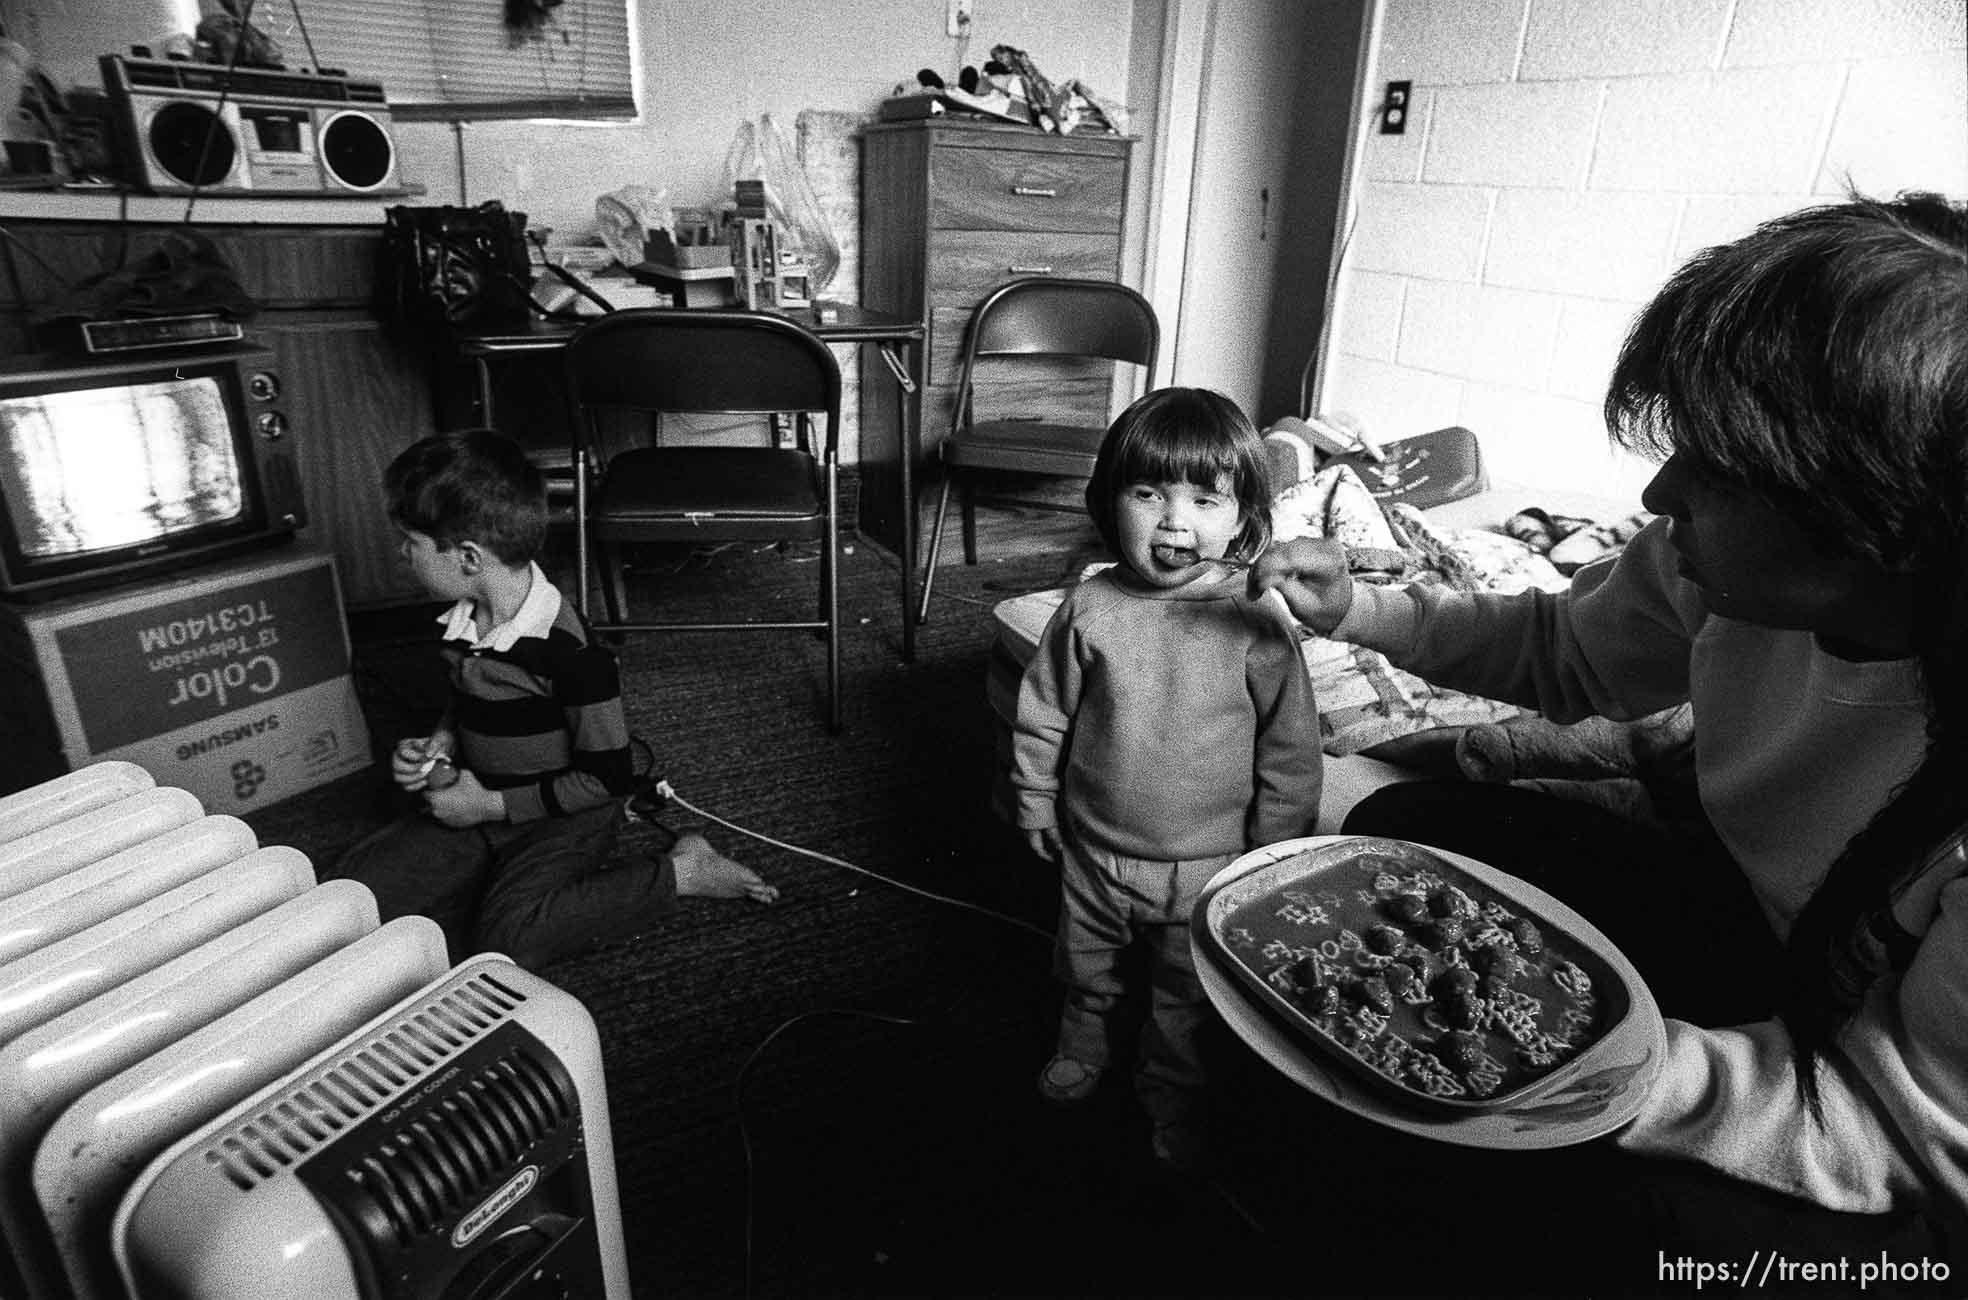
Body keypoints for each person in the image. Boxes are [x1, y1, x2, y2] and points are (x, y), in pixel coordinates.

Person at [1250, 192, 1968, 1290]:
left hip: (1876, 1112)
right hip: (1753, 928)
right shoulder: (1705, 568)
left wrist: (1556, 1060)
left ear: (1892, 522)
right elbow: (1562, 650)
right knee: (1403, 830)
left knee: (1604, 1218)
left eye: (1717, 474)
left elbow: (1889, 1128)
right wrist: (1359, 610)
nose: (1657, 491)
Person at [1012, 387, 1324, 1169]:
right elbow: (1044, 713)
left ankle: (1170, 1091)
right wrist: (1035, 799)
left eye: (1204, 499)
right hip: (1093, 852)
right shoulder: (1087, 608)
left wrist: (1273, 853)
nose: (1174, 520)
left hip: (1211, 863)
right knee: (1083, 964)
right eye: (1147, 493)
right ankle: (1084, 1037)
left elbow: (1289, 750)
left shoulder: (1258, 622)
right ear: (1108, 500)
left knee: (1185, 999)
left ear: (1245, 520)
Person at [334, 428, 776, 969]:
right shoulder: (460, 619)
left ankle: (681, 871)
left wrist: (491, 806)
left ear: (468, 557)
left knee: (508, 939)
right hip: (481, 795)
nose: (403, 555)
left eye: (412, 544)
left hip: (565, 814)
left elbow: (607, 778)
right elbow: (464, 699)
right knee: (347, 892)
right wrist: (438, 745)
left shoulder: (572, 654)